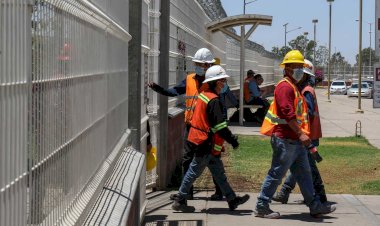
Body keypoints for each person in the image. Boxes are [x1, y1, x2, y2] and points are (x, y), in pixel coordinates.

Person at [254, 50, 336, 219]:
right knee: (277, 173)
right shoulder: (285, 87)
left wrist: (301, 136)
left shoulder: (293, 87)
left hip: (294, 141)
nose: (300, 70)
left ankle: (315, 206)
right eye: (298, 66)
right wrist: (302, 134)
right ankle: (262, 206)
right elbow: (288, 115)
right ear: (289, 68)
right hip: (285, 139)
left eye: (301, 66)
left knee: (305, 174)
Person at [171, 65, 250, 212]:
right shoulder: (213, 100)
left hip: (199, 139)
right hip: (204, 142)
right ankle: (180, 199)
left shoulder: (204, 95)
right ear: (214, 82)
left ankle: (232, 199)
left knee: (218, 172)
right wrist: (233, 140)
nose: (224, 83)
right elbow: (220, 127)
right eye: (222, 81)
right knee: (194, 171)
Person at [148, 48, 221, 200]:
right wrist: (159, 89)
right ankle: (187, 192)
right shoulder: (189, 79)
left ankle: (221, 191)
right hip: (191, 127)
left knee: (213, 158)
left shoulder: (215, 82)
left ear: (208, 65)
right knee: (187, 159)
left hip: (208, 128)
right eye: (196, 63)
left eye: (200, 64)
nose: (198, 66)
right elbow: (174, 91)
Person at [272, 59, 327, 204]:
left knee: (306, 167)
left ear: (306, 76)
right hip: (305, 134)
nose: (298, 75)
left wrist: (298, 130)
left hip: (306, 135)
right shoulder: (302, 89)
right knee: (300, 166)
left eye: (301, 73)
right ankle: (289, 192)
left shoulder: (306, 91)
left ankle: (319, 196)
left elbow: (305, 113)